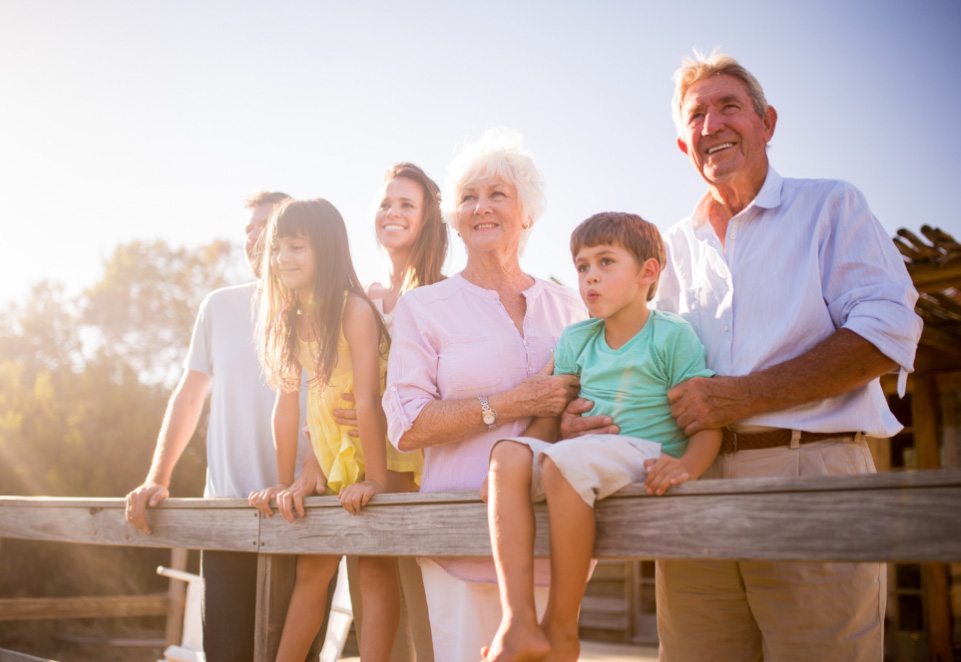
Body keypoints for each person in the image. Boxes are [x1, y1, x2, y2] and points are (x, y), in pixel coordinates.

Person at [563, 52, 923, 661]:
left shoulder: (831, 206)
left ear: (767, 122)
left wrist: (743, 396)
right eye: (696, 116)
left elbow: (886, 332)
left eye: (728, 106)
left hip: (808, 475)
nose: (711, 126)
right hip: (689, 487)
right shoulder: (666, 249)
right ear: (684, 146)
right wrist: (581, 420)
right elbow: (634, 361)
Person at [383, 128, 585, 662]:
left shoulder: (573, 307)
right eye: (468, 197)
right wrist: (518, 401)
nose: (481, 207)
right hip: (460, 543)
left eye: (498, 194)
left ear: (528, 213)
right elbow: (407, 426)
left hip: (559, 551)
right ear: (454, 215)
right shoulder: (424, 308)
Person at [483, 212, 721, 662]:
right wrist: (505, 484)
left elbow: (707, 423)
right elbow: (551, 424)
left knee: (565, 461)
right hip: (584, 454)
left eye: (605, 263)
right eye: (582, 267)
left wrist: (687, 466)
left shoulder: (672, 336)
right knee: (507, 454)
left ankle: (561, 628)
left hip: (644, 455)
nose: (590, 277)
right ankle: (518, 622)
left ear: (648, 273)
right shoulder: (576, 339)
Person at [124, 191, 304, 662]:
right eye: (247, 230)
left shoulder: (326, 308)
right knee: (225, 653)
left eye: (265, 226)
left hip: (303, 513)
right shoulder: (219, 307)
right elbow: (188, 396)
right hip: (225, 514)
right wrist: (157, 478)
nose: (253, 238)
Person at [247, 198, 413, 662]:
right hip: (334, 455)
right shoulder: (295, 319)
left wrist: (376, 481)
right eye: (277, 248)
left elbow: (365, 399)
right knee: (312, 571)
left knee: (373, 566)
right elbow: (289, 404)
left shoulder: (353, 309)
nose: (283, 259)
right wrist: (288, 481)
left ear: (326, 250)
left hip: (378, 453)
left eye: (296, 246)